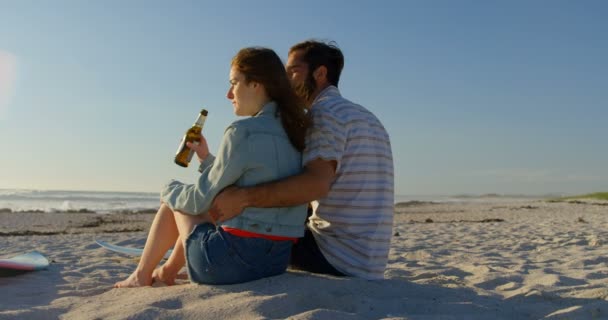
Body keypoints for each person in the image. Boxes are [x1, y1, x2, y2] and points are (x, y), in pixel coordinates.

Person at [114, 47, 311, 287]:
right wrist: (206, 158)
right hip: (276, 262)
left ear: (256, 84)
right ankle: (167, 272)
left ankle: (141, 275)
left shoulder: (242, 132)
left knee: (176, 199)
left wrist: (167, 190)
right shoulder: (297, 131)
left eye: (234, 83)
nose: (229, 94)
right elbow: (240, 178)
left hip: (230, 264)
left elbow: (199, 200)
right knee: (204, 204)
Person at [210, 40, 394, 280]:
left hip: (335, 257)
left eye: (293, 72)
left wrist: (243, 198)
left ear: (320, 73)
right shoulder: (365, 116)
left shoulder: (325, 114)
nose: (285, 81)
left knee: (246, 214)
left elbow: (316, 184)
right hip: (370, 260)